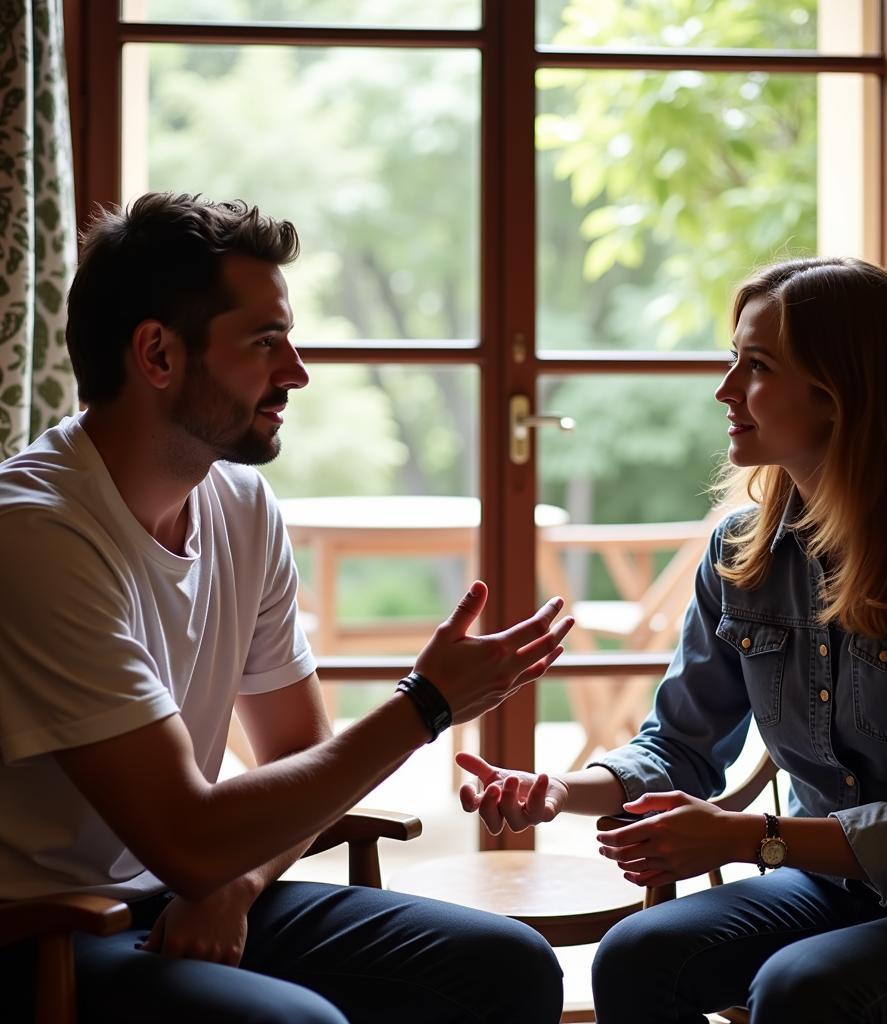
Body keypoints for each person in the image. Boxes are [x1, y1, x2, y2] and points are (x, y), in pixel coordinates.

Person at [0, 192, 573, 1024]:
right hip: (43, 933)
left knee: (507, 967)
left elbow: (295, 760)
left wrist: (233, 884)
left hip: (185, 887)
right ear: (157, 354)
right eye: (266, 341)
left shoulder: (241, 504)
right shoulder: (37, 536)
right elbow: (187, 831)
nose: (297, 370)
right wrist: (428, 704)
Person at [457, 256, 887, 1023]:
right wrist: (559, 792)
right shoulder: (741, 555)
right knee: (635, 958)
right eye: (734, 360)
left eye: (755, 366)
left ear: (840, 392)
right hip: (827, 885)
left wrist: (749, 838)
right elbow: (680, 749)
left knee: (798, 988)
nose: (726, 390)